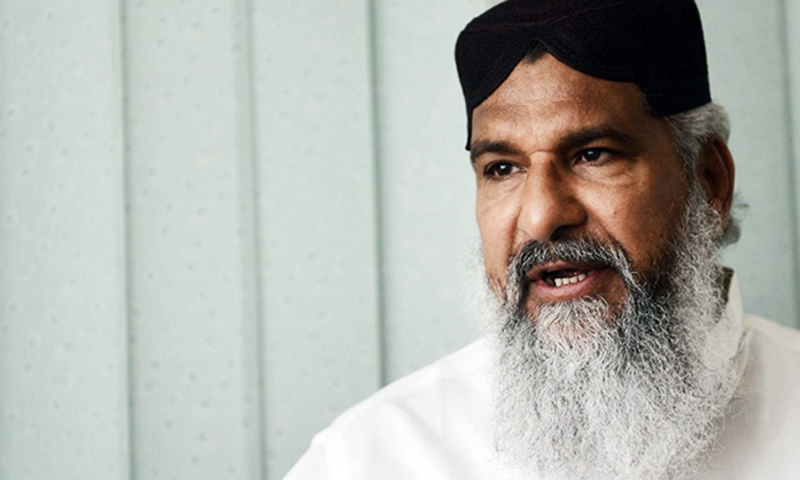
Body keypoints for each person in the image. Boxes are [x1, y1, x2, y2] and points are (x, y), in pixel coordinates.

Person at [284, 0, 800, 478]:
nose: (540, 216)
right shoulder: (367, 458)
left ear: (709, 181)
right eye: (502, 168)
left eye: (593, 155)